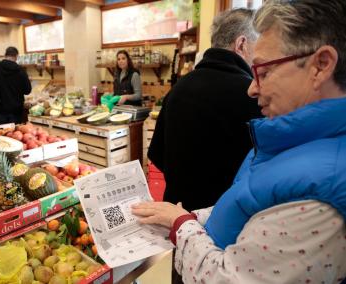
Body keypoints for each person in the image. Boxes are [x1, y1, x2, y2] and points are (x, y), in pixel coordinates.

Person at [133, 1, 346, 283]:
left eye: (264, 71)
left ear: (320, 66)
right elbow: (246, 203)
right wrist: (190, 218)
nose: (252, 87)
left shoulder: (324, 186)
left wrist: (181, 223)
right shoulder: (286, 140)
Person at [148, 8, 261, 212]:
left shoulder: (179, 88)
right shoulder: (255, 95)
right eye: (259, 46)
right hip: (225, 221)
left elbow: (157, 155)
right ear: (242, 44)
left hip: (176, 214)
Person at [0, 47, 31, 124]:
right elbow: (27, 90)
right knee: (15, 134)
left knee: (0, 133)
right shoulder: (20, 70)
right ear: (16, 56)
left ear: (5, 55)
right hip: (16, 109)